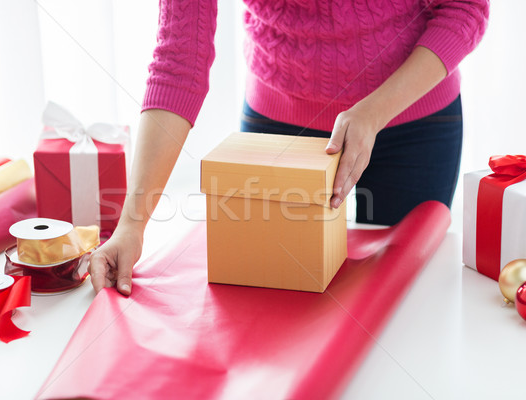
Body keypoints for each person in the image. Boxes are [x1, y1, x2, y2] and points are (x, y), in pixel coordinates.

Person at [89, 0, 489, 295]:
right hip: (278, 124)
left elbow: (464, 8)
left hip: (413, 121)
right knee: (267, 296)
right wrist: (132, 225)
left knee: (405, 303)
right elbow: (178, 60)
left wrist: (375, 111)